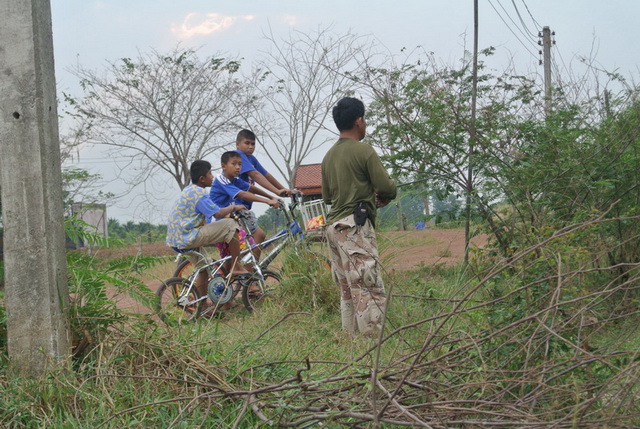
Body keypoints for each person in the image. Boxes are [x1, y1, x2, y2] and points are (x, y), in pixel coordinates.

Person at [321, 97, 397, 337]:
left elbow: (328, 197)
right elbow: (387, 187)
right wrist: (380, 195)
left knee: (347, 289)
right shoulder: (363, 150)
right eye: (364, 119)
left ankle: (350, 339)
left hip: (334, 228)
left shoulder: (328, 157)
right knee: (368, 285)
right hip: (354, 227)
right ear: (358, 121)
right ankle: (373, 344)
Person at [166, 160, 247, 299]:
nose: (212, 176)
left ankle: (202, 307)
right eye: (210, 173)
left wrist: (226, 213)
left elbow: (208, 214)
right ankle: (236, 265)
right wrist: (234, 207)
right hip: (188, 236)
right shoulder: (199, 193)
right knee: (230, 225)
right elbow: (219, 214)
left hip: (178, 239)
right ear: (202, 179)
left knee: (203, 270)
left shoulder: (189, 190)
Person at [210, 151, 281, 260]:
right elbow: (242, 194)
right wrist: (267, 201)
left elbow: (250, 188)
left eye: (240, 164)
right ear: (223, 166)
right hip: (222, 220)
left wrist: (270, 197)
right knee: (239, 251)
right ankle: (248, 269)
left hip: (232, 218)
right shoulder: (221, 179)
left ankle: (251, 268)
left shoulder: (234, 180)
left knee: (257, 236)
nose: (238, 167)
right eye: (234, 164)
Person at [234, 129, 293, 198]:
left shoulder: (251, 159)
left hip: (244, 201)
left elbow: (266, 175)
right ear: (238, 144)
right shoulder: (237, 155)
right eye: (247, 143)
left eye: (253, 144)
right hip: (232, 201)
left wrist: (284, 190)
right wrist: (276, 191)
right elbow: (255, 175)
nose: (250, 147)